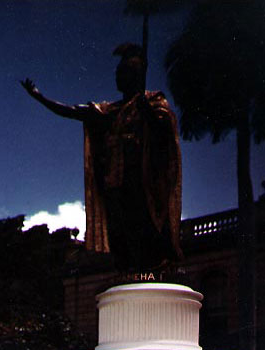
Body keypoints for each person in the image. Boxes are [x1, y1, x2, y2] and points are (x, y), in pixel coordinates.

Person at [21, 43, 182, 273]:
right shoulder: (108, 110)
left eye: (122, 73)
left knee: (145, 225)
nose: (117, 78)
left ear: (135, 76)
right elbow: (73, 111)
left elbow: (164, 132)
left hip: (142, 180)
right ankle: (127, 270)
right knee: (119, 229)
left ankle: (152, 267)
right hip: (115, 181)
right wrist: (40, 98)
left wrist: (148, 112)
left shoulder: (153, 102)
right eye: (117, 73)